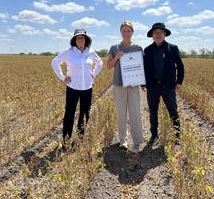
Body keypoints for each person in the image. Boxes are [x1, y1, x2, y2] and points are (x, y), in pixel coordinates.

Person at [51, 29, 103, 148]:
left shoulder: (91, 52)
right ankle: (66, 142)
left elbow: (100, 63)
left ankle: (79, 141)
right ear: (74, 40)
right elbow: (55, 62)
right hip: (73, 88)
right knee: (69, 115)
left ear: (86, 39)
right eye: (78, 38)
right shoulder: (68, 52)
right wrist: (62, 77)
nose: (80, 40)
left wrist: (93, 74)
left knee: (84, 115)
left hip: (87, 88)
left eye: (83, 37)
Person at [141, 22, 184, 144]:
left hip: (168, 86)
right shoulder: (148, 50)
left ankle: (177, 136)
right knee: (153, 112)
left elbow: (180, 66)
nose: (158, 34)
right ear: (152, 35)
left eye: (160, 32)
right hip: (152, 86)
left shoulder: (173, 48)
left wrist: (179, 81)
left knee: (173, 111)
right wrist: (142, 83)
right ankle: (154, 135)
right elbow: (144, 68)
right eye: (155, 32)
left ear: (165, 34)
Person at [107, 21, 144, 154]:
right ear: (120, 32)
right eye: (124, 31)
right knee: (121, 113)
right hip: (119, 84)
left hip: (133, 85)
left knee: (135, 113)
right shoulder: (114, 47)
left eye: (129, 31)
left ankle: (137, 141)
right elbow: (109, 66)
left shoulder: (138, 48)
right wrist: (117, 57)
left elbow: (141, 67)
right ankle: (123, 140)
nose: (126, 33)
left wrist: (139, 81)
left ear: (132, 32)